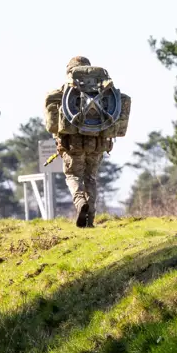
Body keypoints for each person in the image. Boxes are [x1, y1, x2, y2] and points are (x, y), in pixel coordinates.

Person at [47, 56, 126, 228]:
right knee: (90, 178)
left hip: (72, 143)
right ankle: (90, 219)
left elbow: (52, 124)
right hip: (97, 143)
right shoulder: (104, 92)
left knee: (73, 175)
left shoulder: (64, 92)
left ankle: (80, 202)